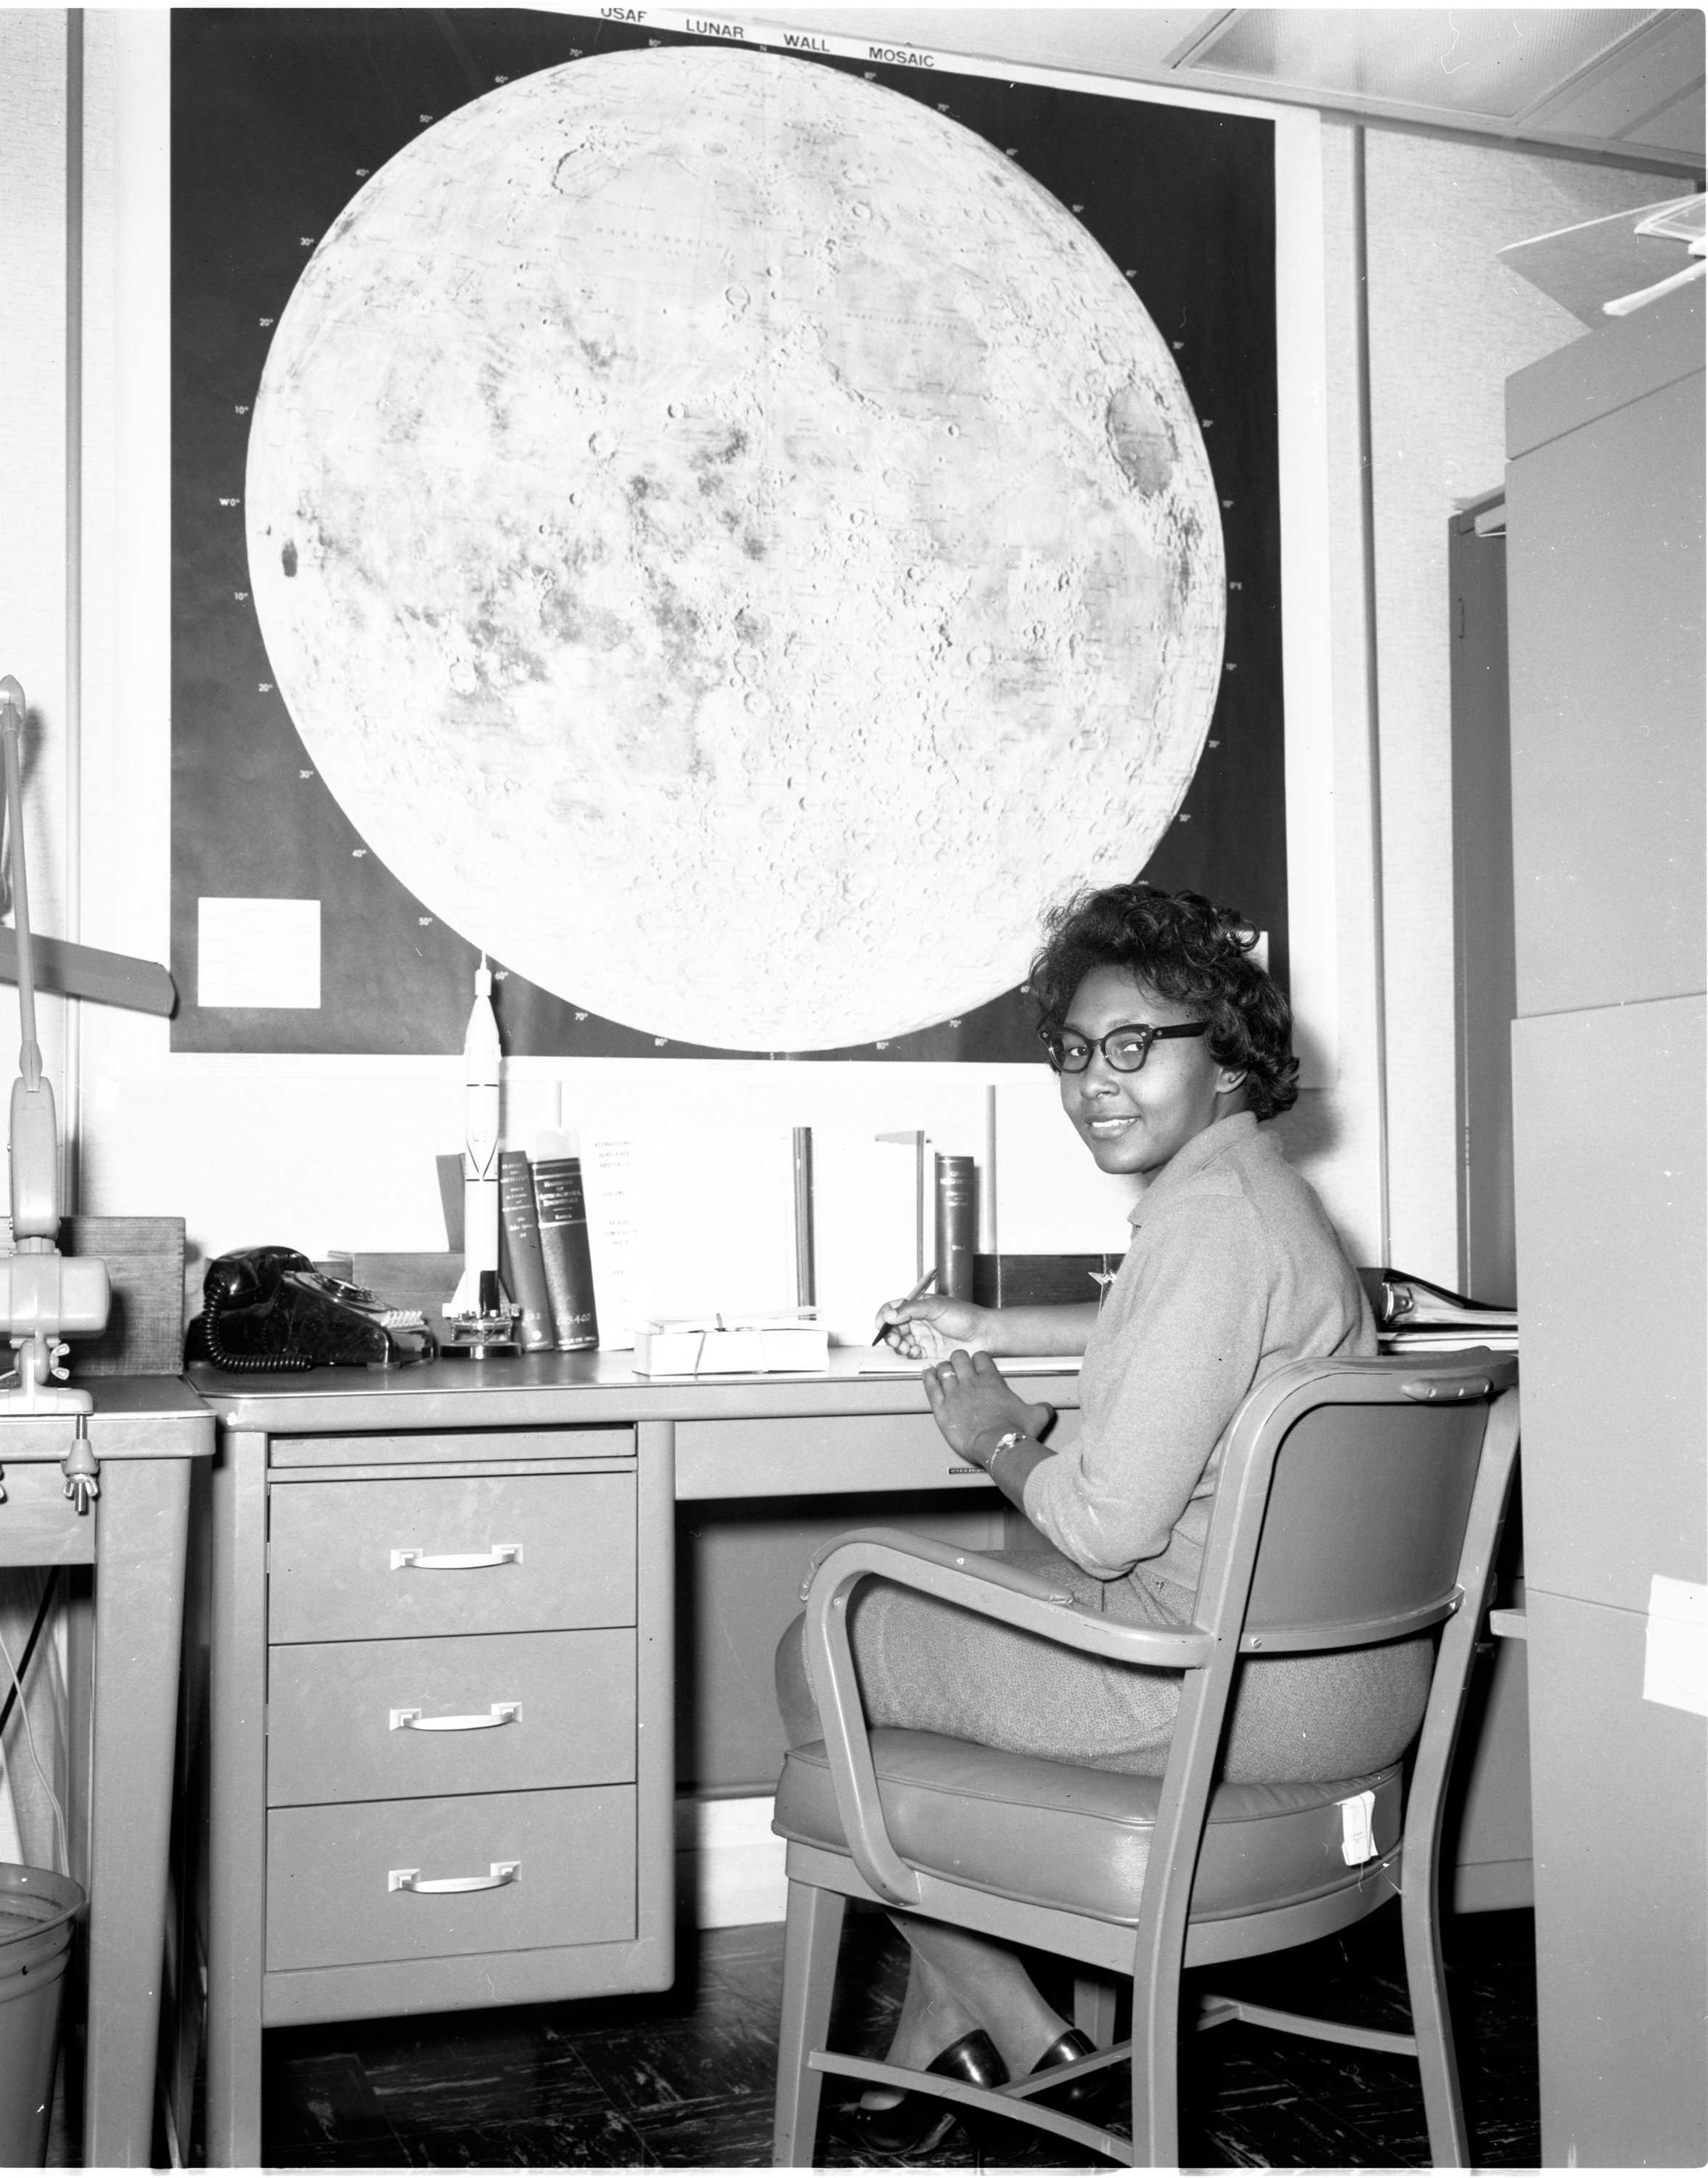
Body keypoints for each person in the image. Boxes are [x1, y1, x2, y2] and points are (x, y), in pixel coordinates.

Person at [775, 878, 1432, 2155]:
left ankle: (1005, 2013)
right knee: (908, 1623)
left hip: (1206, 1692)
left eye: (1133, 1047)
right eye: (1073, 1053)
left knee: (819, 1638)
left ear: (1227, 1059)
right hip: (1342, 1683)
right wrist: (998, 1329)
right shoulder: (1252, 1202)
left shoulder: (1204, 1225)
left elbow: (1097, 1528)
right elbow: (1185, 1330)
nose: (1092, 1082)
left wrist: (996, 1435)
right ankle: (944, 2015)